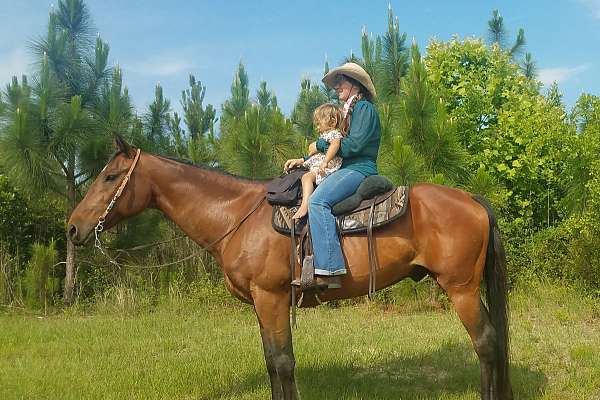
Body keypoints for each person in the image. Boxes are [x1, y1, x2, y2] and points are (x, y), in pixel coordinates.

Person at [286, 62, 381, 289]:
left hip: (359, 168)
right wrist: (304, 160)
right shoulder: (349, 111)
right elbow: (332, 147)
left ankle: (330, 269)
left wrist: (318, 145)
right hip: (343, 167)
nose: (337, 86)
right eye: (336, 83)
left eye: (342, 81)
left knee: (318, 202)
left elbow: (355, 145)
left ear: (356, 85)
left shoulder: (364, 109)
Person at [284, 103, 345, 220]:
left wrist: (326, 161)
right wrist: (301, 161)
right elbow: (313, 156)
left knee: (306, 178)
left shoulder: (334, 134)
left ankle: (305, 205)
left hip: (326, 168)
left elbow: (335, 145)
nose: (317, 127)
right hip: (319, 164)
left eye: (319, 124)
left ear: (332, 122)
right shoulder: (325, 136)